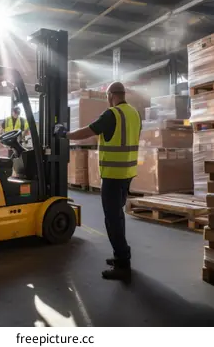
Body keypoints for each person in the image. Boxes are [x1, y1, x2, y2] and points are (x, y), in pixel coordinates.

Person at [54, 82, 140, 283]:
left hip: (112, 175)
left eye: (107, 97)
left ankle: (122, 264)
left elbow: (88, 131)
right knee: (117, 217)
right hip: (127, 173)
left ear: (110, 95)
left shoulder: (113, 114)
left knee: (112, 219)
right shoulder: (134, 114)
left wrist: (64, 135)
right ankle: (121, 255)